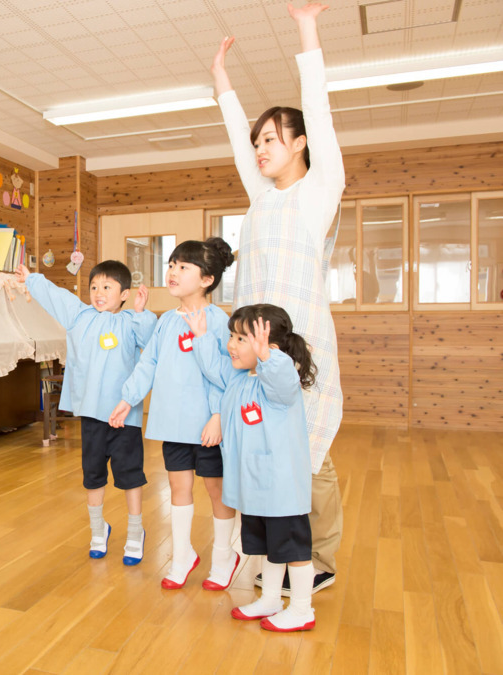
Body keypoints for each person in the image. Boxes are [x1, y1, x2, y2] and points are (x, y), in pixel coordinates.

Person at [211, 1, 344, 594]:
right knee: (261, 441)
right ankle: (274, 554)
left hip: (301, 343)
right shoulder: (259, 197)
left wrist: (307, 29)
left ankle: (318, 561)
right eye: (257, 140)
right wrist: (221, 82)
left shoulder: (319, 192)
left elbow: (319, 107)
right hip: (254, 347)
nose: (260, 149)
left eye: (271, 139)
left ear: (299, 144)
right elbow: (238, 142)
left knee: (309, 452)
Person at [109, 238, 239, 591]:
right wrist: (127, 398)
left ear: (207, 279)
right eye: (171, 264)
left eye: (183, 267)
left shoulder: (218, 320)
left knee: (217, 490)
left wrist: (217, 415)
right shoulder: (166, 321)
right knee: (178, 488)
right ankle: (182, 556)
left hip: (208, 426)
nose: (173, 272)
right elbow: (148, 362)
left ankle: (225, 556)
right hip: (173, 422)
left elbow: (225, 374)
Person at [185, 304, 317, 632]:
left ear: (268, 346)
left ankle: (302, 609)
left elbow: (283, 380)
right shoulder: (241, 379)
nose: (231, 344)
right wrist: (202, 339)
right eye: (232, 336)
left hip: (281, 488)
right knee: (267, 548)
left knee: (293, 549)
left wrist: (269, 358)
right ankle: (271, 599)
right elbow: (216, 371)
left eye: (241, 338)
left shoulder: (278, 383)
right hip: (255, 488)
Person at [17, 261, 155, 565]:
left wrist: (143, 311)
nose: (98, 293)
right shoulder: (79, 316)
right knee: (93, 476)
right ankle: (97, 530)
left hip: (124, 417)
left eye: (107, 287)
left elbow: (150, 341)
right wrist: (32, 279)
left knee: (130, 477)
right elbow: (56, 296)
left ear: (124, 294)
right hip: (92, 416)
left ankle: (135, 532)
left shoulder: (131, 321)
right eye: (94, 287)